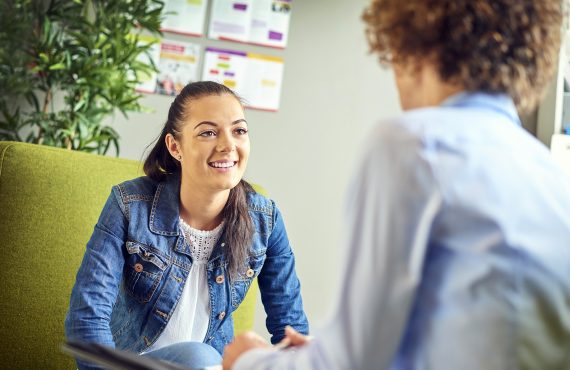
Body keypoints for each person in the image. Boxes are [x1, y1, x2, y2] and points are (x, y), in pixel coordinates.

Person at [223, 0, 570, 369]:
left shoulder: (415, 144)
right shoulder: (551, 177)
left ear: (414, 44)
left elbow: (350, 363)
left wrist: (249, 361)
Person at [65, 81, 309, 370]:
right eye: (208, 132)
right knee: (198, 357)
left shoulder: (265, 220)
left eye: (239, 130)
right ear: (175, 146)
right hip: (132, 364)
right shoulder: (130, 205)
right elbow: (87, 318)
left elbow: (290, 329)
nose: (228, 145)